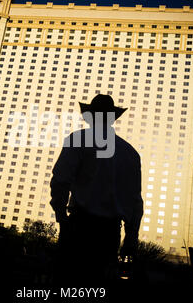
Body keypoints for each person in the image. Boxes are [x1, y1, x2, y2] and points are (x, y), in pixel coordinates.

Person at [50, 94, 144, 284]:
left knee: (66, 283)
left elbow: (60, 181)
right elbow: (135, 201)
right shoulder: (131, 154)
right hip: (109, 235)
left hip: (79, 228)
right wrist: (131, 238)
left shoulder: (79, 139)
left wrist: (62, 218)